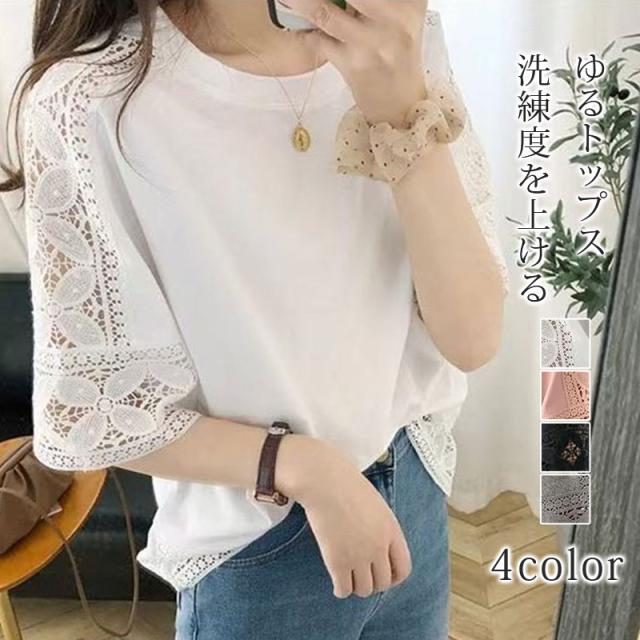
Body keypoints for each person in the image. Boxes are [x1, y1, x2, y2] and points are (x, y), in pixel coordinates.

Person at [0, 0, 508, 637]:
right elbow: (94, 415)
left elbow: (472, 338)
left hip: (413, 491)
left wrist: (402, 112)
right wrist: (308, 469)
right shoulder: (91, 101)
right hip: (258, 543)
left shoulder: (397, 40)